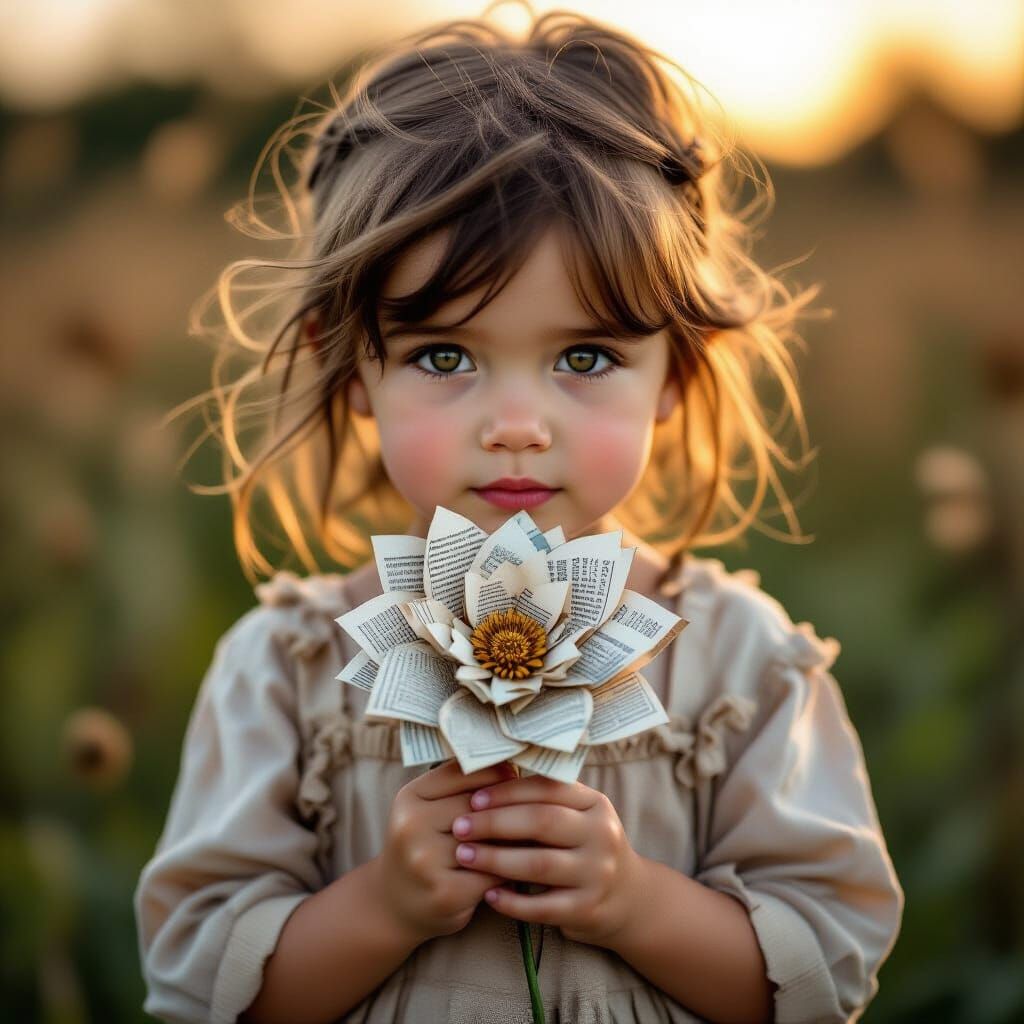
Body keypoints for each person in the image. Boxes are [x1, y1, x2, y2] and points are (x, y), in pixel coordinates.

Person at [133, 5, 903, 1022]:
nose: (513, 425)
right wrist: (384, 905)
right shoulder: (287, 672)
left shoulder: (739, 670)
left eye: (584, 358)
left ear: (674, 369)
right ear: (350, 363)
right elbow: (204, 988)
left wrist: (631, 902)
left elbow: (819, 980)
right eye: (443, 356)